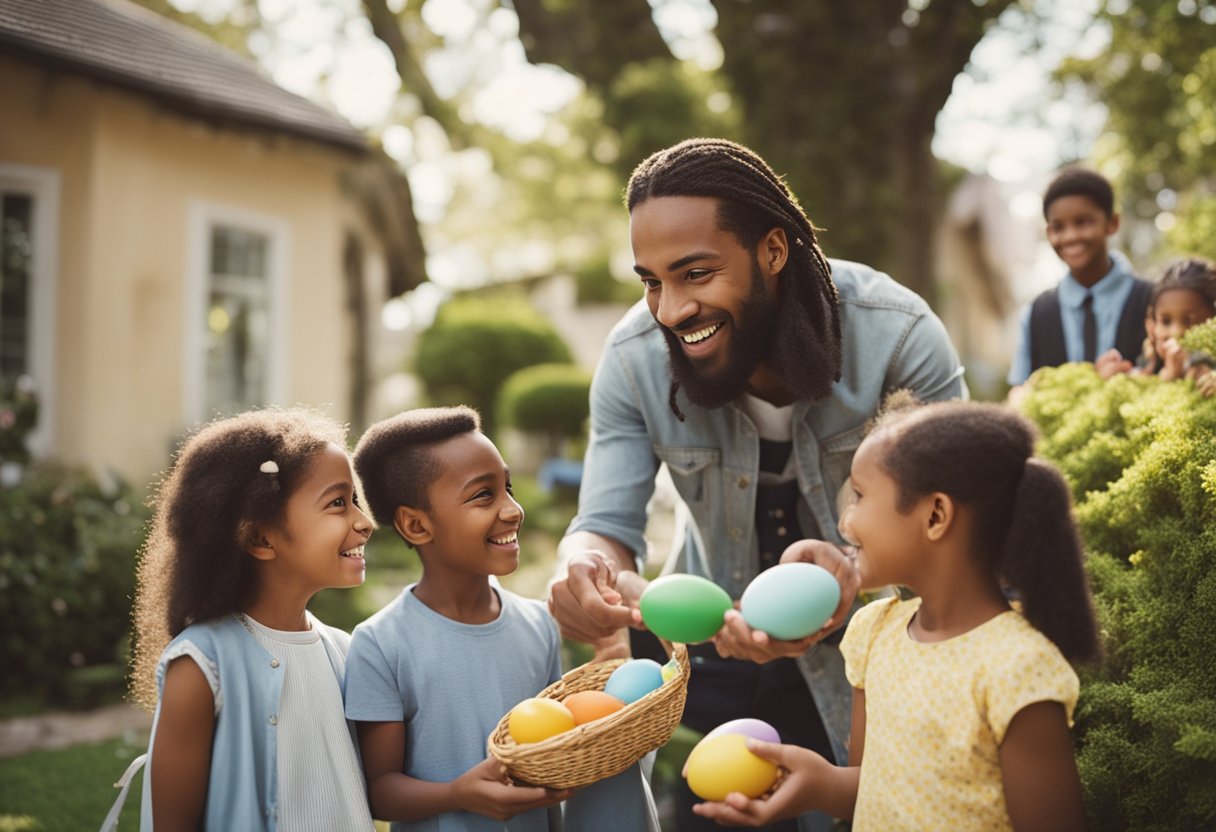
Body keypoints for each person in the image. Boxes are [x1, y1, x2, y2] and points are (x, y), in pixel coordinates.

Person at [544, 138, 967, 832]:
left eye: (696, 274)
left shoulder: (898, 337)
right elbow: (605, 526)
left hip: (868, 657)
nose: (671, 310)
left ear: (773, 251)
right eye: (651, 280)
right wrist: (584, 567)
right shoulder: (631, 360)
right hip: (710, 645)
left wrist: (851, 573)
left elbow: (959, 526)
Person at [692, 398, 1100, 831]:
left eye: (860, 496)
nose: (845, 522)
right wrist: (818, 783)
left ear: (936, 515)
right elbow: (873, 786)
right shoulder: (875, 634)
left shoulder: (1018, 669)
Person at [345, 406, 658, 832]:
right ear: (416, 525)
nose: (513, 510)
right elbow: (380, 790)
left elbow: (556, 745)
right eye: (483, 495)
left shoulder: (540, 624)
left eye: (507, 487)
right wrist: (457, 794)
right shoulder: (381, 642)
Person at [126, 408, 375, 831]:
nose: (364, 521)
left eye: (354, 499)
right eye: (338, 503)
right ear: (260, 537)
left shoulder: (346, 652)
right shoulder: (203, 666)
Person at [1007, 167, 1152, 388]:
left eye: (1083, 222)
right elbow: (1020, 393)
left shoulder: (1153, 300)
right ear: (1048, 233)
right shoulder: (1036, 313)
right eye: (1058, 227)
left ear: (1112, 223)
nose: (1070, 236)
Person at [1124, 256, 1216, 389]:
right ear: (1151, 326)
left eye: (1189, 322)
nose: (1176, 332)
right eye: (1166, 322)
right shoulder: (1148, 369)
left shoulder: (1210, 377)